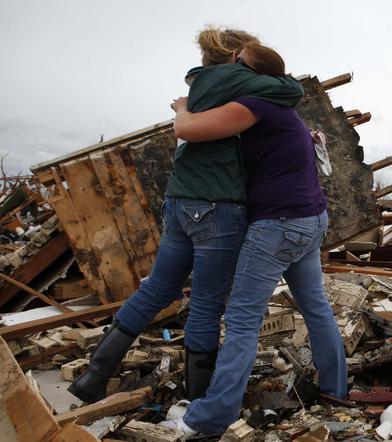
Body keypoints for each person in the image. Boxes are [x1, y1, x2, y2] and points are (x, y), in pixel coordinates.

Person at [68, 27, 304, 404]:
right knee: (209, 302)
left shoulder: (198, 82)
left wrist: (181, 107)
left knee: (157, 289)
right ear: (235, 56)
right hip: (218, 204)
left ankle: (94, 376)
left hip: (179, 200)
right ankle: (198, 399)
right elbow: (293, 90)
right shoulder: (238, 78)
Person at [161, 42, 347, 436]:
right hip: (311, 218)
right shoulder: (284, 107)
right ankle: (336, 389)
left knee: (243, 320)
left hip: (278, 224)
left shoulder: (255, 105)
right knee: (316, 308)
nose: (231, 66)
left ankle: (209, 417)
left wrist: (182, 107)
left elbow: (188, 129)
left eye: (236, 61)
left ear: (247, 70)